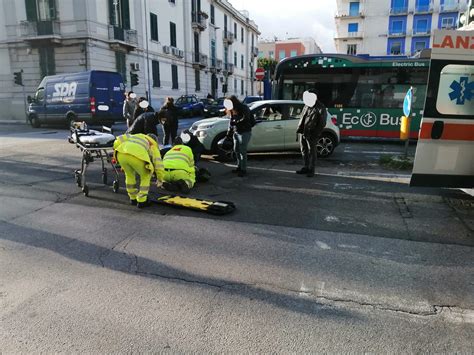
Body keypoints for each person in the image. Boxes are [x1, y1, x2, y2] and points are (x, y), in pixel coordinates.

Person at [113, 133, 165, 208]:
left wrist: (116, 148)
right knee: (146, 175)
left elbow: (118, 140)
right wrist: (160, 178)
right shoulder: (152, 144)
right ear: (155, 140)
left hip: (121, 153)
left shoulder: (135, 136)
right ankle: (142, 200)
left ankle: (132, 198)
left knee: (129, 175)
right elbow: (158, 163)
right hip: (137, 155)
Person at [296, 89, 327, 178]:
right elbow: (303, 117)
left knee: (312, 152)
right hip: (303, 131)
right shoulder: (307, 105)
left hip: (312, 134)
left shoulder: (320, 107)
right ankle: (306, 167)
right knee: (304, 150)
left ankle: (311, 169)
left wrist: (315, 134)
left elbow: (322, 123)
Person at [225, 95, 254, 177]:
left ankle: (243, 169)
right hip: (236, 132)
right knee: (236, 150)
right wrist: (228, 132)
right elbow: (231, 121)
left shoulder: (243, 108)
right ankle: (239, 167)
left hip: (245, 132)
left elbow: (246, 118)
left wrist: (236, 122)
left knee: (242, 151)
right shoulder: (232, 110)